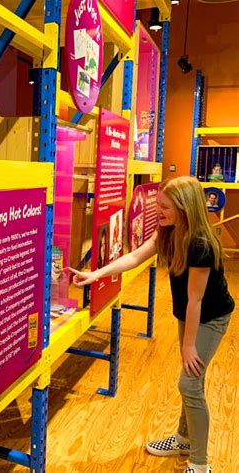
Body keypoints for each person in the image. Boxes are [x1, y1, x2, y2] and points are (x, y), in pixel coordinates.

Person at [70, 176, 234, 473]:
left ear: (184, 208)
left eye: (164, 206)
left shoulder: (201, 244)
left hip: (211, 315)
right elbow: (133, 257)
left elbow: (196, 300)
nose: (157, 211)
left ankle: (200, 464)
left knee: (189, 383)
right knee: (192, 382)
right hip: (189, 313)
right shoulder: (168, 232)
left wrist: (187, 346)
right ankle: (184, 439)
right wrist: (96, 275)